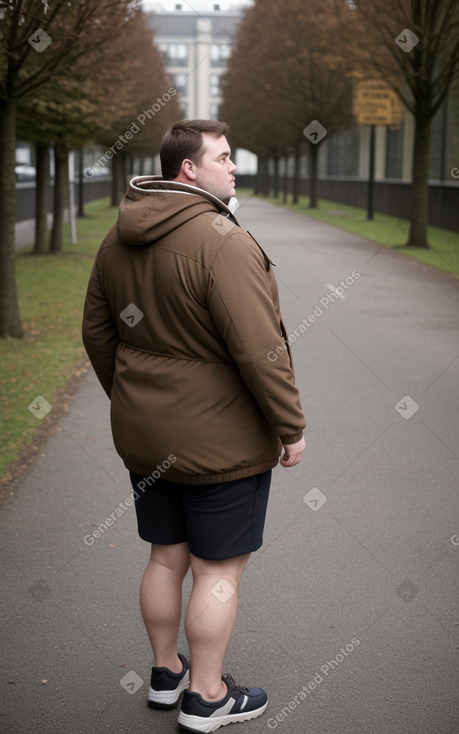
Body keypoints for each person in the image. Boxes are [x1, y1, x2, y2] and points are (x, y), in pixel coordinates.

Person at [82, 119, 306, 732]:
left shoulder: (117, 237)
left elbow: (98, 334)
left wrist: (133, 400)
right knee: (217, 570)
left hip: (144, 437)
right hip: (220, 444)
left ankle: (165, 673)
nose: (234, 167)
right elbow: (261, 350)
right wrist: (290, 427)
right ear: (190, 169)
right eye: (225, 157)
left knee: (165, 557)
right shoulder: (222, 241)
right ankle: (207, 697)